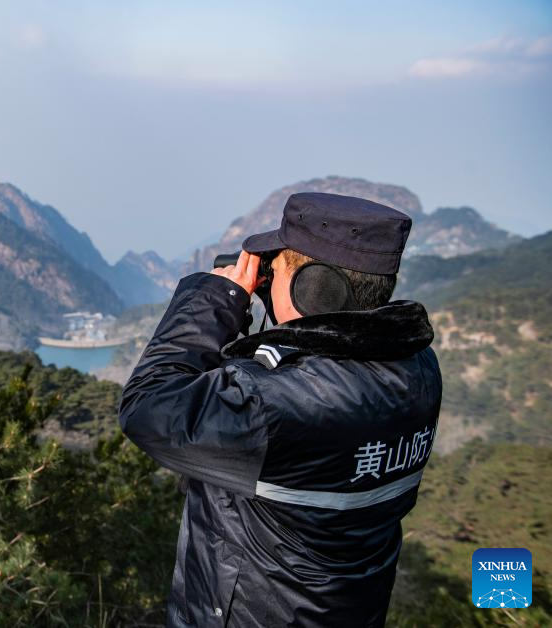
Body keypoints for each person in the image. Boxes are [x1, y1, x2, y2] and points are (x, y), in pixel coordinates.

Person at [118, 192, 442, 627]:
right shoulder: (417, 370)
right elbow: (324, 360)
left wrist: (214, 298)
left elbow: (148, 405)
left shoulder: (276, 404)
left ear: (316, 288)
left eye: (279, 268)